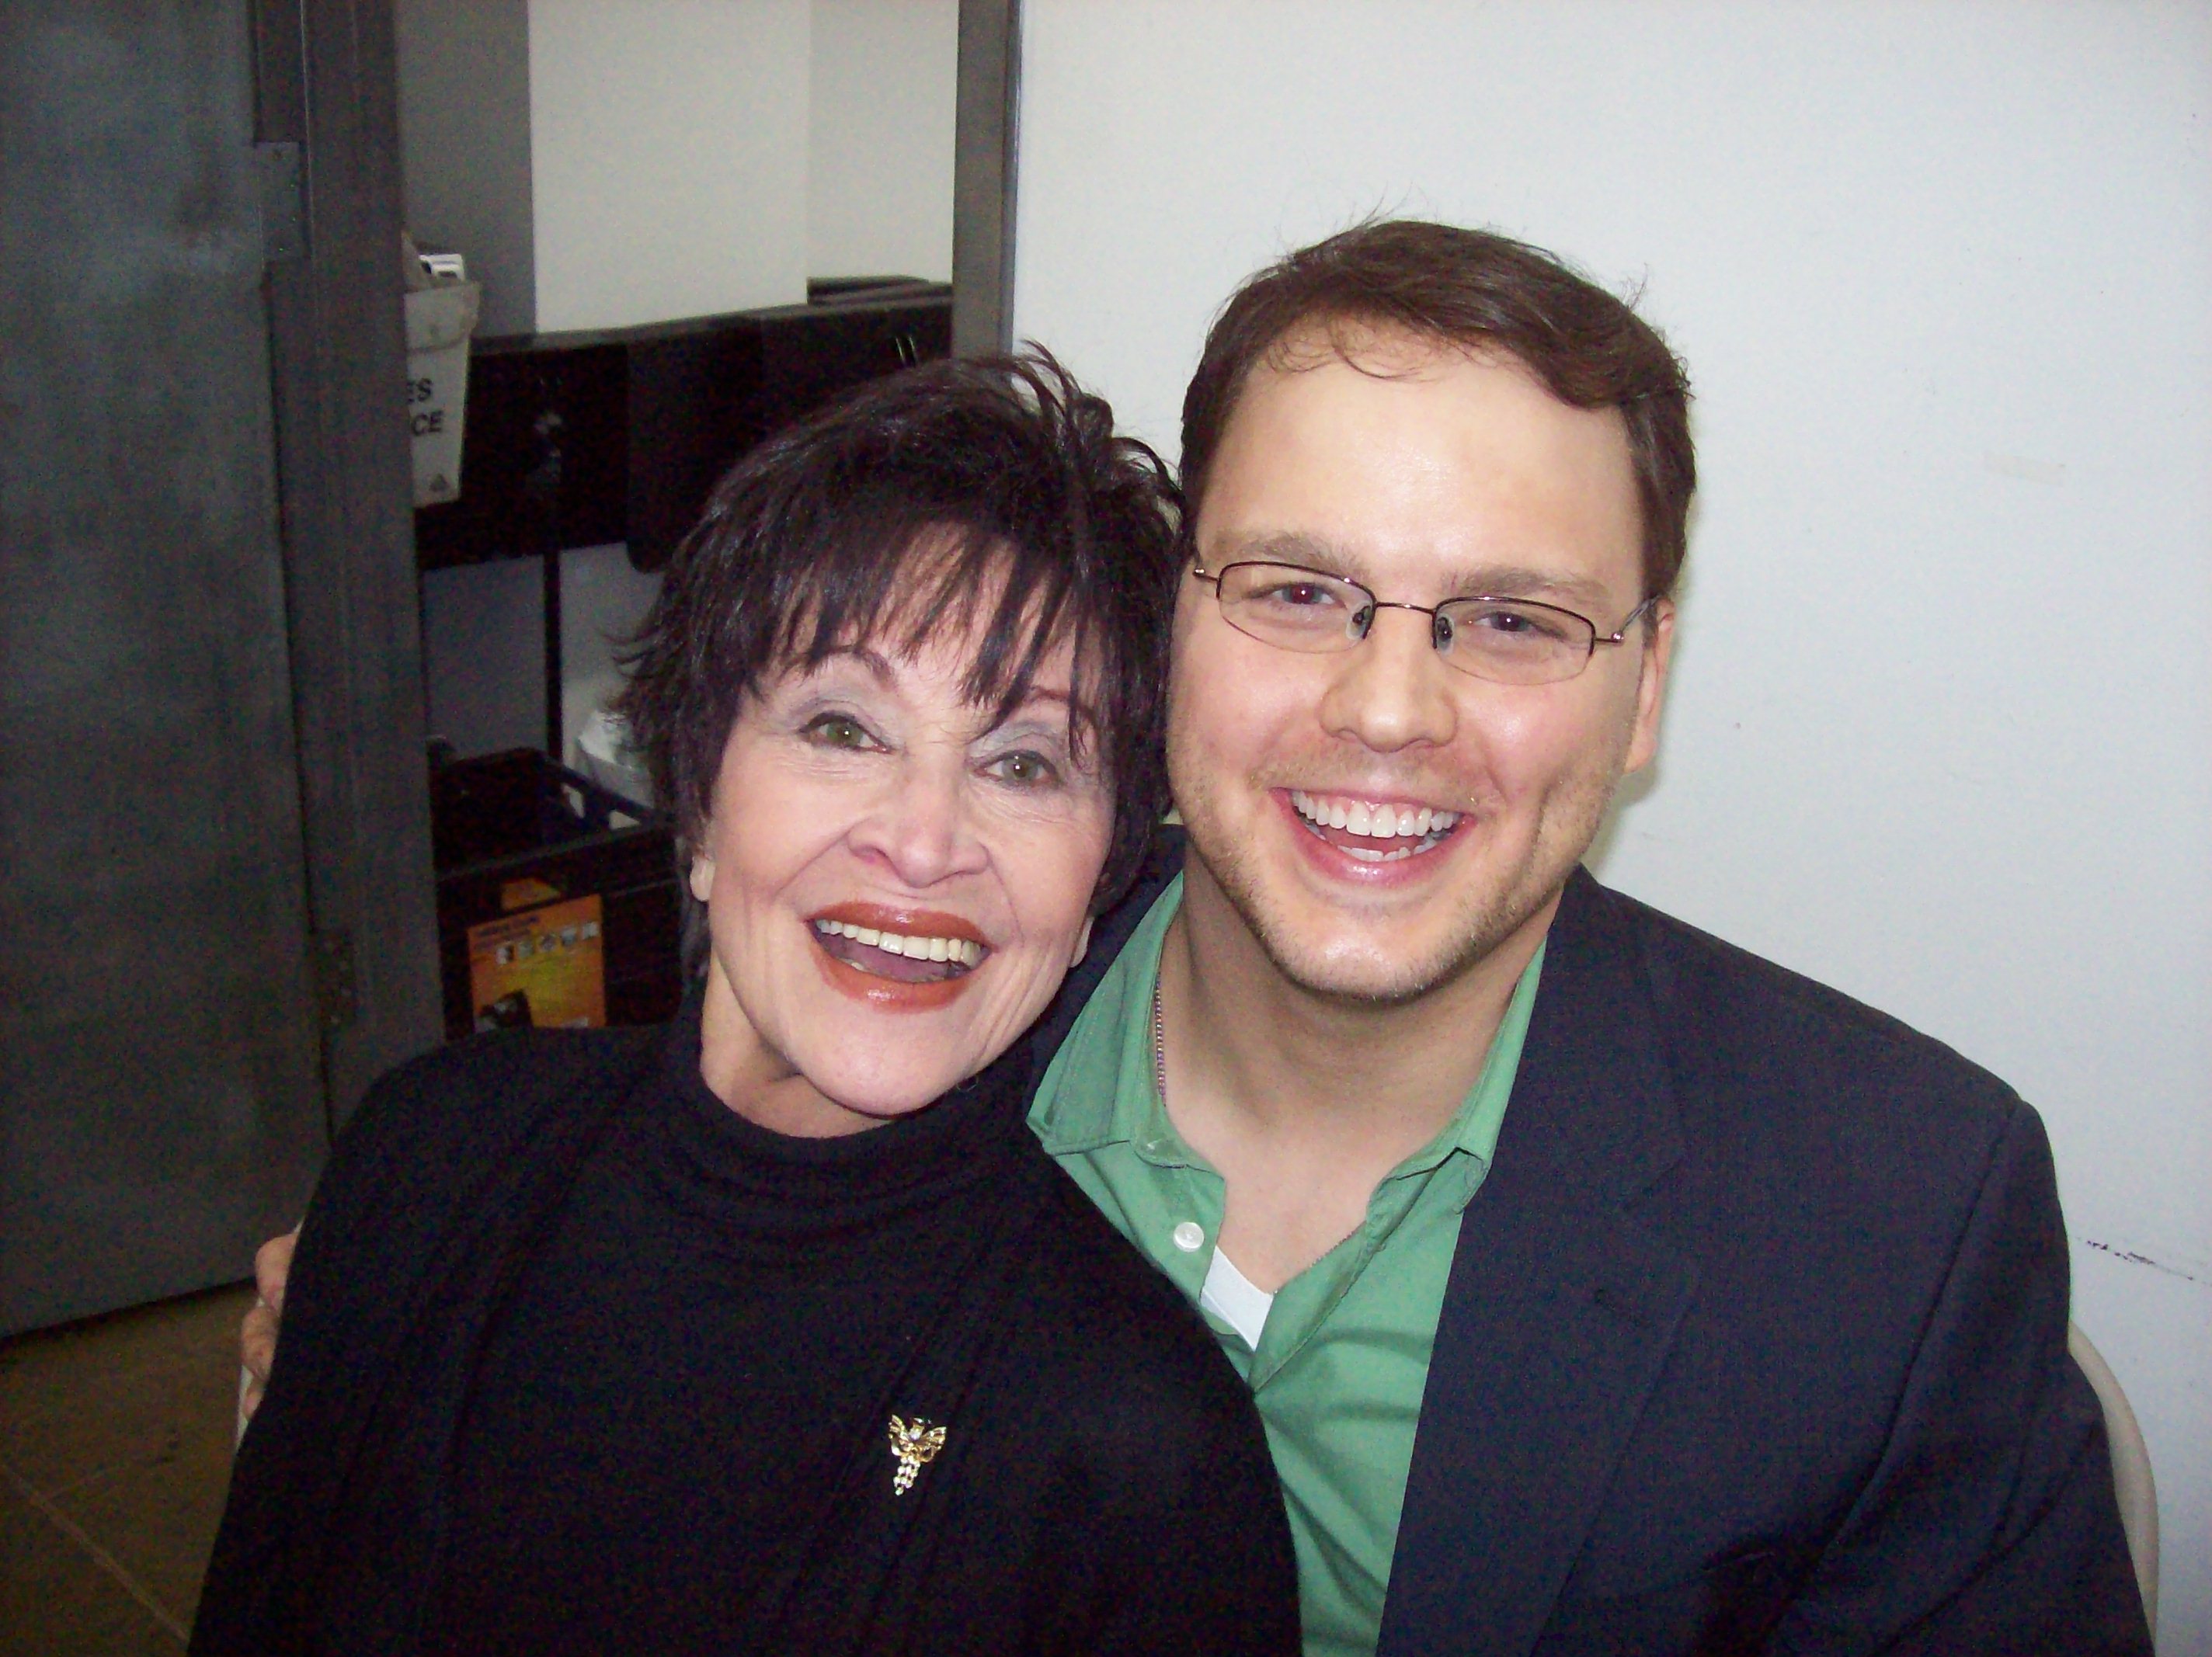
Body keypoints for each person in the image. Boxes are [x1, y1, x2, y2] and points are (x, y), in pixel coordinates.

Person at [245, 222, 2152, 1656]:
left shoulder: (1892, 1221)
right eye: (1302, 588)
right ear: (1175, 640)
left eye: (1507, 618)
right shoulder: (927, 963)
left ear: (1641, 688)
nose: (1387, 710)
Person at [197, 353, 1301, 1655]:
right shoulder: (422, 1158)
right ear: (701, 805)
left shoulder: (1142, 1450)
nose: (925, 838)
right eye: (843, 728)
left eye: (1022, 760)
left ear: (1096, 890)